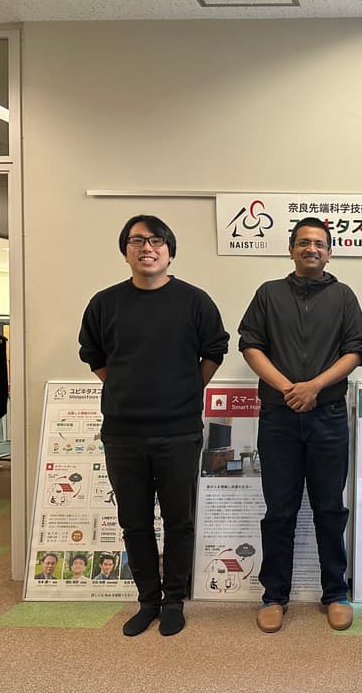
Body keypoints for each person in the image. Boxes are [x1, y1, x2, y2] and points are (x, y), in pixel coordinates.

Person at [79, 214, 229, 637]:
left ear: (170, 250)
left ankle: (174, 600)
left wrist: (183, 390)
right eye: (136, 241)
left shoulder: (194, 301)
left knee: (179, 521)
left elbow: (215, 349)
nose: (147, 247)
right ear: (125, 251)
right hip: (123, 434)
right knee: (135, 521)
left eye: (156, 240)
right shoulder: (105, 303)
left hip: (179, 431)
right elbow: (94, 355)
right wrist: (128, 389)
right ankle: (147, 600)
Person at [238, 216, 362, 634]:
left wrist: (313, 386)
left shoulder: (344, 295)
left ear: (330, 252)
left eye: (320, 244)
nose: (312, 249)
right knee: (280, 509)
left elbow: (355, 352)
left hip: (328, 415)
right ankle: (274, 595)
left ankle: (335, 592)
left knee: (330, 507)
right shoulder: (268, 294)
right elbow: (250, 345)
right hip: (278, 416)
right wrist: (288, 388)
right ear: (291, 249)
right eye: (304, 243)